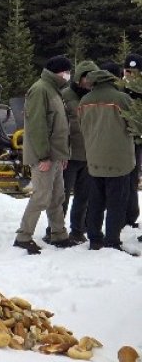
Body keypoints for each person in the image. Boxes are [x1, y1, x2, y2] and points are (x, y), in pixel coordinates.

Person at [13, 56, 75, 254]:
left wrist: (62, 154)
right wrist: (43, 157)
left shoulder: (55, 90)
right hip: (45, 157)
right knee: (41, 197)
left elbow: (59, 125)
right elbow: (38, 127)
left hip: (55, 156)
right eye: (67, 71)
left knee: (57, 197)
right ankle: (23, 236)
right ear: (59, 72)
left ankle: (59, 234)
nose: (68, 75)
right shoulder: (40, 90)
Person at [79, 67, 140, 256]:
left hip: (94, 158)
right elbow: (136, 125)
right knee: (116, 202)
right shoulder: (122, 99)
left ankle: (95, 238)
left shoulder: (84, 101)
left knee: (96, 200)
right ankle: (112, 241)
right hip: (119, 159)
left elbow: (83, 127)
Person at [44, 60, 97, 245]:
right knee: (61, 196)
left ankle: (77, 230)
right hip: (69, 155)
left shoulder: (95, 96)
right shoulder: (65, 95)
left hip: (89, 155)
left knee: (84, 197)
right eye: (86, 77)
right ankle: (54, 230)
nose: (89, 81)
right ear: (79, 78)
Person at [122, 54, 142, 231]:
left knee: (132, 178)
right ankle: (128, 215)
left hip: (138, 139)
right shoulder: (121, 91)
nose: (130, 75)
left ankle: (131, 215)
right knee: (127, 178)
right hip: (125, 139)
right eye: (128, 71)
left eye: (134, 72)